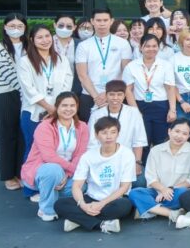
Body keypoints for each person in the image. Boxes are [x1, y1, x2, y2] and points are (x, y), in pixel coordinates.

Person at [53, 116, 135, 233]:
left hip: (114, 199)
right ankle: (102, 224)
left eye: (113, 132)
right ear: (96, 135)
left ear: (118, 134)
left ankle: (78, 220)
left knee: (125, 206)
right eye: (104, 133)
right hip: (91, 198)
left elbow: (124, 187)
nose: (109, 136)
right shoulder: (88, 156)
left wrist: (101, 204)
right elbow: (76, 186)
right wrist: (83, 205)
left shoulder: (127, 154)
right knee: (59, 204)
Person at [20, 92, 89, 222]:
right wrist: (67, 171)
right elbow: (49, 157)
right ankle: (47, 209)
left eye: (72, 105)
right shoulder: (45, 126)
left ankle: (51, 194)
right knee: (53, 170)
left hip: (67, 173)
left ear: (77, 107)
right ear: (57, 107)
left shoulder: (83, 127)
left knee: (82, 186)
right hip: (44, 170)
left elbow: (80, 154)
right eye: (64, 105)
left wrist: (68, 174)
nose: (68, 109)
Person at [17, 24, 73, 156]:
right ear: (32, 40)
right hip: (33, 112)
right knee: (33, 148)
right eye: (40, 37)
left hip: (58, 111)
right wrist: (49, 108)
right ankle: (30, 171)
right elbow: (28, 89)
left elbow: (67, 85)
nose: (45, 40)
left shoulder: (61, 59)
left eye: (47, 36)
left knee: (55, 148)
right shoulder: (25, 61)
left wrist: (56, 108)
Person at [131, 119, 190, 222]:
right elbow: (151, 178)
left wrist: (170, 189)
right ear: (169, 131)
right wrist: (163, 189)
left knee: (184, 193)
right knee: (135, 193)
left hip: (177, 193)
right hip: (157, 192)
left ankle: (150, 209)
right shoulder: (156, 150)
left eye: (184, 134)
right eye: (177, 131)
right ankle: (172, 214)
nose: (179, 136)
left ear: (189, 136)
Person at [75, 8, 133, 121]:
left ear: (111, 21)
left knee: (116, 128)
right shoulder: (83, 45)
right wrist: (96, 97)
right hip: (89, 95)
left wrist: (108, 93)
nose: (102, 24)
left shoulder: (123, 43)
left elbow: (126, 71)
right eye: (98, 20)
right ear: (92, 21)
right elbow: (82, 75)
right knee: (90, 129)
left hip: (116, 95)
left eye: (105, 20)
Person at [123, 35, 178, 150]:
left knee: (161, 142)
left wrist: (172, 110)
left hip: (161, 106)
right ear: (140, 47)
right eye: (147, 46)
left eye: (154, 46)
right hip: (140, 106)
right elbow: (128, 90)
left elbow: (170, 88)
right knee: (143, 142)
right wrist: (135, 111)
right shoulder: (131, 66)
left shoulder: (165, 65)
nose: (151, 49)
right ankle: (142, 162)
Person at [87, 80, 148, 183]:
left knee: (140, 181)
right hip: (103, 159)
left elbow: (139, 141)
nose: (115, 98)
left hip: (126, 159)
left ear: (124, 96)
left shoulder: (134, 113)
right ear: (106, 95)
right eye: (111, 94)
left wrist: (137, 163)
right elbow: (92, 143)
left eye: (119, 94)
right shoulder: (96, 114)